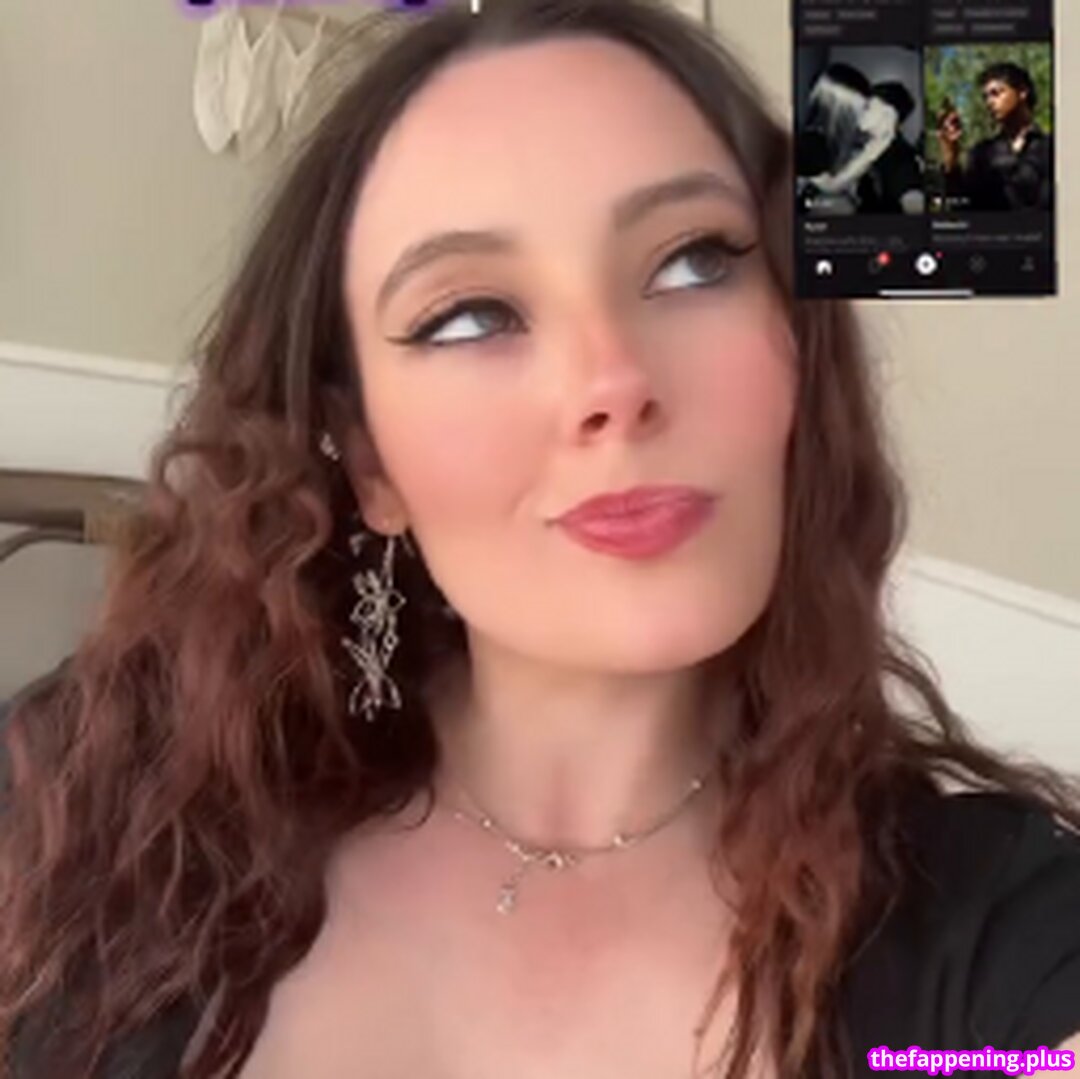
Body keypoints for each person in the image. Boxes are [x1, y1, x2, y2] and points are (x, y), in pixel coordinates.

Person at [2, 2, 1080, 1077]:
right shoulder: (80, 805)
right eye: (471, 315)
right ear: (369, 460)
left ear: (800, 343)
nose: (613, 380)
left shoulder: (995, 934)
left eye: (694, 259)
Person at [936, 60, 1053, 211]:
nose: (989, 102)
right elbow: (963, 208)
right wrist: (951, 158)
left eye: (996, 93)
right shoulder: (981, 154)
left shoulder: (1052, 148)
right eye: (985, 97)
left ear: (1022, 92)